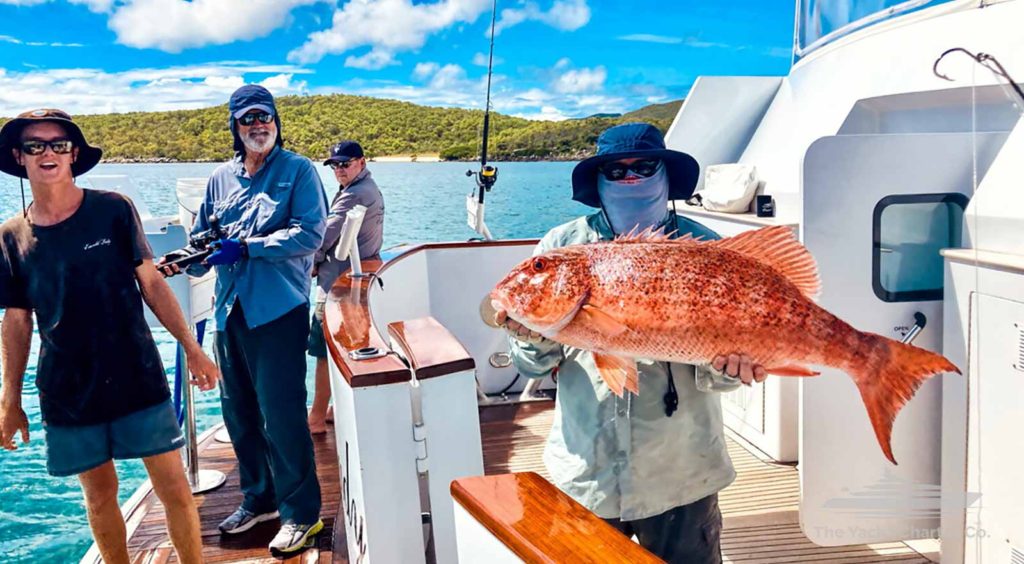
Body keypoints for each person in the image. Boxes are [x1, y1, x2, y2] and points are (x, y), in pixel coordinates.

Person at [502, 123, 768, 563]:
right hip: (588, 473)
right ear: (598, 182)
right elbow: (532, 366)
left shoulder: (707, 250)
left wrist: (731, 367)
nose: (629, 179)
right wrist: (529, 337)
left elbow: (723, 381)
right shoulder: (562, 248)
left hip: (682, 475)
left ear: (665, 175)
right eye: (615, 170)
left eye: (643, 168)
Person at [0, 109, 220, 564]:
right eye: (35, 145)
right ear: (19, 157)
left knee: (174, 486)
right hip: (67, 388)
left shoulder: (114, 209)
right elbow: (17, 320)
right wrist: (9, 400)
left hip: (136, 373)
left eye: (59, 144)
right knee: (99, 496)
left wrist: (192, 349)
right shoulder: (10, 236)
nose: (48, 153)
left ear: (73, 154)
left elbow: (153, 283)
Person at [158, 85, 328, 554]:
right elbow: (204, 238)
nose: (258, 126)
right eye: (247, 119)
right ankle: (260, 499)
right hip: (228, 312)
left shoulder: (299, 172)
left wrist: (249, 248)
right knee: (239, 413)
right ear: (235, 126)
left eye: (265, 117)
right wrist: (188, 258)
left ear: (276, 121)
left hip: (279, 312)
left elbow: (310, 234)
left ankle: (301, 515)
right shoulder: (219, 179)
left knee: (283, 416)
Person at [307, 140, 384, 434]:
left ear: (361, 162)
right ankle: (334, 409)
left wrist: (310, 263)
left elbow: (326, 235)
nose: (339, 170)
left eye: (345, 164)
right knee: (348, 349)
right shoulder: (366, 188)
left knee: (323, 351)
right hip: (357, 279)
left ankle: (315, 417)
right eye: (335, 165)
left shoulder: (355, 194)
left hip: (337, 285)